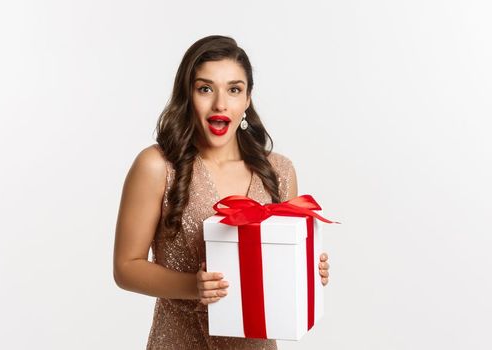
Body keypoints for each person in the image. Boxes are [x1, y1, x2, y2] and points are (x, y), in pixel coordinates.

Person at [113, 35, 331, 349]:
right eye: (205, 88)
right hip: (178, 341)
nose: (220, 103)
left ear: (247, 99)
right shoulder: (157, 166)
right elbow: (126, 267)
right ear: (187, 95)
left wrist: (307, 270)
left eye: (234, 89)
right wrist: (193, 287)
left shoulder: (279, 171)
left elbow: (279, 277)